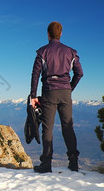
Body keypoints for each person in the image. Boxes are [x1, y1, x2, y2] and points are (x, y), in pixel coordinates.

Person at [30, 21, 83, 173]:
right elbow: (80, 73)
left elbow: (35, 75)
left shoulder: (42, 52)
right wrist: (69, 88)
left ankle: (46, 164)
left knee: (48, 128)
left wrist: (33, 96)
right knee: (68, 127)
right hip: (65, 92)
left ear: (48, 34)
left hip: (49, 92)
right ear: (61, 34)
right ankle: (73, 163)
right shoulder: (71, 52)